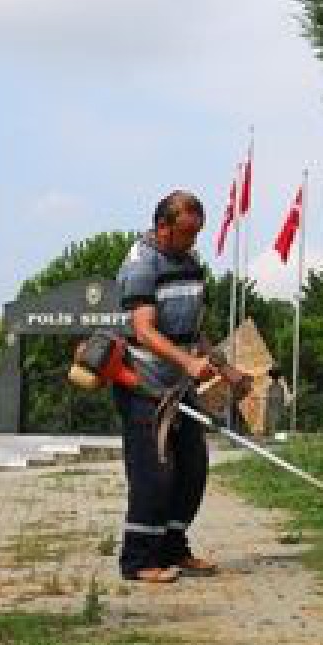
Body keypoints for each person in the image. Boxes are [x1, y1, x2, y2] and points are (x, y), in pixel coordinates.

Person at [114, 191, 249, 583]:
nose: (193, 242)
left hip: (180, 385)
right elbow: (144, 330)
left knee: (193, 469)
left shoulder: (188, 263)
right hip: (143, 385)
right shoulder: (141, 264)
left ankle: (174, 547)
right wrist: (190, 362)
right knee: (153, 475)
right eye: (187, 234)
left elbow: (194, 331)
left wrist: (224, 368)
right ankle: (138, 561)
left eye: (197, 234)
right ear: (163, 227)